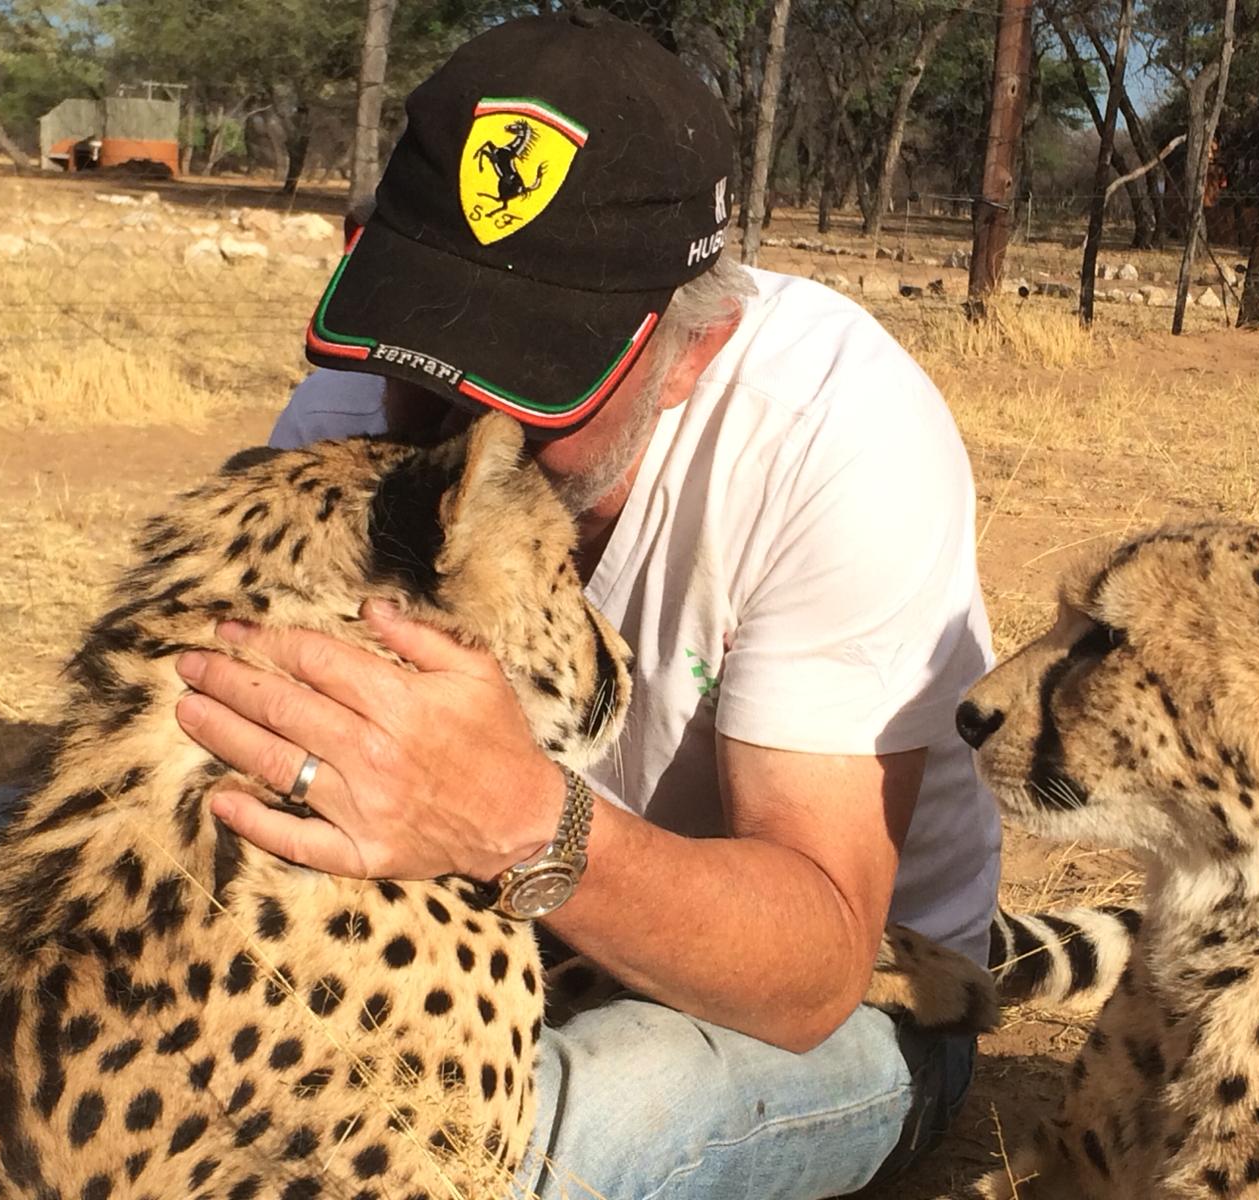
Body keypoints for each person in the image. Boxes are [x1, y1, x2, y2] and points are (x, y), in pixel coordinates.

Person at [170, 10, 1002, 1198]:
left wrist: (524, 820)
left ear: (692, 352)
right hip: (470, 933)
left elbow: (815, 965)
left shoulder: (836, 436)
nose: (465, 425)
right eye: (422, 343)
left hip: (825, 999)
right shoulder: (350, 426)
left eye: (535, 373)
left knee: (491, 1149)